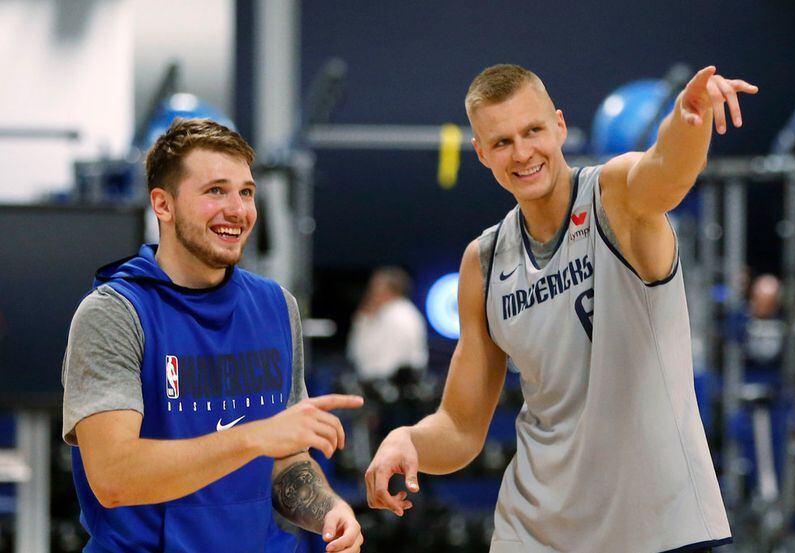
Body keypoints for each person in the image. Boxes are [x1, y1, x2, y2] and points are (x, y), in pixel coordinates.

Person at [365, 64, 757, 553]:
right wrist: (409, 440)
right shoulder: (484, 263)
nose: (523, 152)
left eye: (533, 131)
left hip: (656, 527)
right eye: (503, 141)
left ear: (560, 126)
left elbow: (666, 174)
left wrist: (688, 118)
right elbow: (462, 428)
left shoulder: (613, 197)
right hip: (534, 532)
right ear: (482, 153)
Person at [62, 118, 364, 553]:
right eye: (215, 191)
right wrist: (254, 436)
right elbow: (113, 478)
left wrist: (329, 511)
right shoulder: (114, 313)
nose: (238, 210)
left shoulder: (277, 307)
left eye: (246, 192)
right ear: (162, 205)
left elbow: (286, 459)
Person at [347, 266, 428, 382]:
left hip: (390, 386)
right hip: (381, 383)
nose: (371, 294)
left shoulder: (398, 315)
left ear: (391, 290)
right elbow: (356, 353)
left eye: (375, 288)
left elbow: (386, 363)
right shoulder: (387, 313)